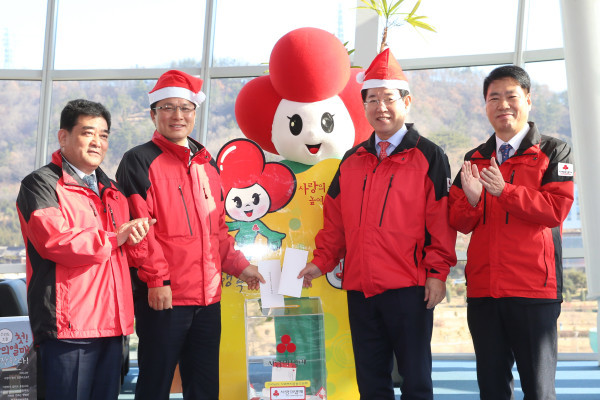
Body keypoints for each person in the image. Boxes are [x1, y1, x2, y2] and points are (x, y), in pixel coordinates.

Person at [298, 49, 457, 400]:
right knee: (370, 381)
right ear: (364, 106)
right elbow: (334, 223)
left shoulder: (429, 155)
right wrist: (320, 262)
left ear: (406, 102)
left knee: (416, 380)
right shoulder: (352, 160)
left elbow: (441, 221)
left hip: (409, 287)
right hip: (361, 288)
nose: (380, 107)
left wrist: (437, 273)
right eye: (372, 100)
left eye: (388, 99)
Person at [116, 69, 264, 400]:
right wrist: (157, 281)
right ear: (153, 114)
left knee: (204, 387)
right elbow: (140, 228)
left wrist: (242, 267)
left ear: (195, 114)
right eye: (167, 107)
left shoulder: (207, 166)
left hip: (208, 299)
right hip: (165, 297)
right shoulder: (138, 161)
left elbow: (217, 232)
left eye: (185, 108)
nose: (177, 115)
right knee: (155, 385)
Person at [448, 65, 574, 399]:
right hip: (484, 291)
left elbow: (555, 209)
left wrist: (504, 191)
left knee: (539, 391)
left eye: (511, 96)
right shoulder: (474, 158)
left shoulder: (555, 151)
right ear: (485, 106)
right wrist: (473, 201)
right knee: (491, 389)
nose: (502, 104)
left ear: (528, 100)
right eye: (494, 98)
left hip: (534, 291)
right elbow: (459, 222)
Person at [15, 99, 154, 400]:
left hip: (114, 327)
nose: (97, 142)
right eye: (88, 133)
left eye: (103, 135)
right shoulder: (40, 184)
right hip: (69, 328)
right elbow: (55, 241)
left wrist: (138, 237)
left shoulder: (114, 190)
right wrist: (115, 237)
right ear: (63, 137)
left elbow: (127, 255)